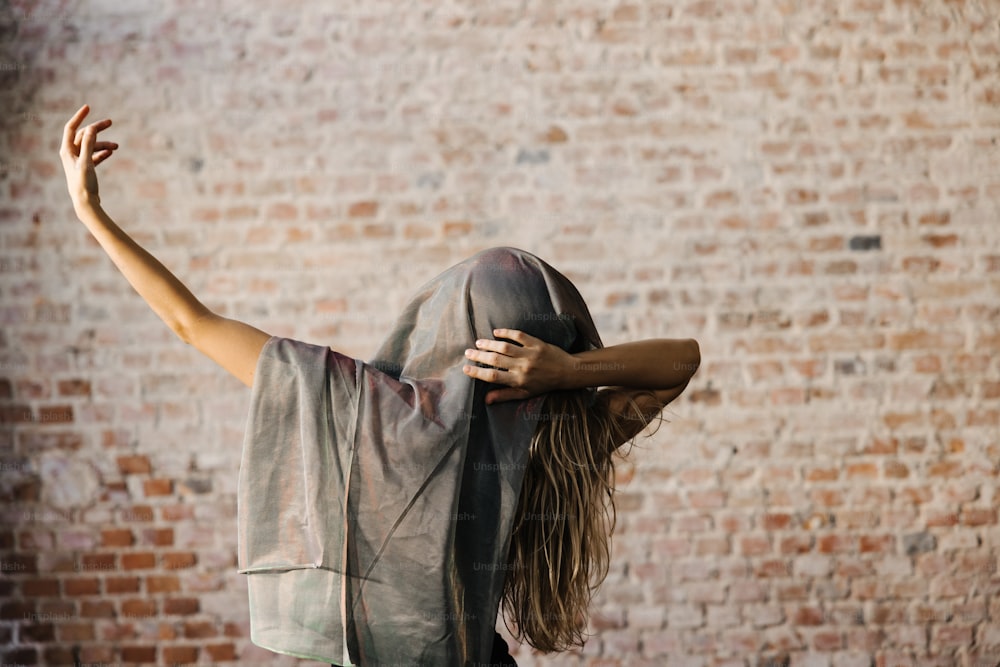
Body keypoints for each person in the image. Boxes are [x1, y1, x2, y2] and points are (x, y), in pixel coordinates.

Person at [59, 105, 701, 666]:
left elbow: (192, 324)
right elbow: (681, 362)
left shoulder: (374, 417)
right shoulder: (556, 448)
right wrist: (567, 373)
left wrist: (92, 213)